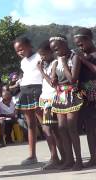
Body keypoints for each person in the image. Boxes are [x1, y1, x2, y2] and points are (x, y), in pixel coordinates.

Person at [50, 35, 84, 170]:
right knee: (62, 128)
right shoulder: (56, 61)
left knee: (72, 128)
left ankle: (79, 161)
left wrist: (64, 64)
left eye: (57, 49)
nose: (55, 52)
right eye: (53, 50)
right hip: (60, 95)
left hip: (73, 94)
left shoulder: (74, 57)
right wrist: (53, 77)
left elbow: (73, 79)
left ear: (64, 44)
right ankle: (69, 160)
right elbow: (54, 79)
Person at [13, 37, 43, 165]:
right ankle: (32, 156)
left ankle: (57, 155)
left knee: (45, 124)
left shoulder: (39, 56)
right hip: (25, 91)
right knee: (30, 125)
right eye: (17, 51)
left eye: (21, 49)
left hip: (37, 90)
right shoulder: (23, 62)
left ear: (29, 45)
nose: (19, 52)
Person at [37, 40, 64, 170]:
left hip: (52, 99)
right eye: (40, 55)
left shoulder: (54, 63)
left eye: (43, 54)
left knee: (48, 129)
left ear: (50, 52)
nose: (42, 57)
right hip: (46, 99)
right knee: (54, 130)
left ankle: (55, 157)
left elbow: (53, 83)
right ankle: (61, 157)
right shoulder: (48, 64)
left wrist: (41, 71)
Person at [74, 28, 96, 167]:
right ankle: (94, 157)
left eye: (81, 44)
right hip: (84, 94)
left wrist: (83, 60)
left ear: (89, 39)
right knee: (89, 127)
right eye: (77, 45)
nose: (80, 47)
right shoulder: (80, 56)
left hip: (94, 90)